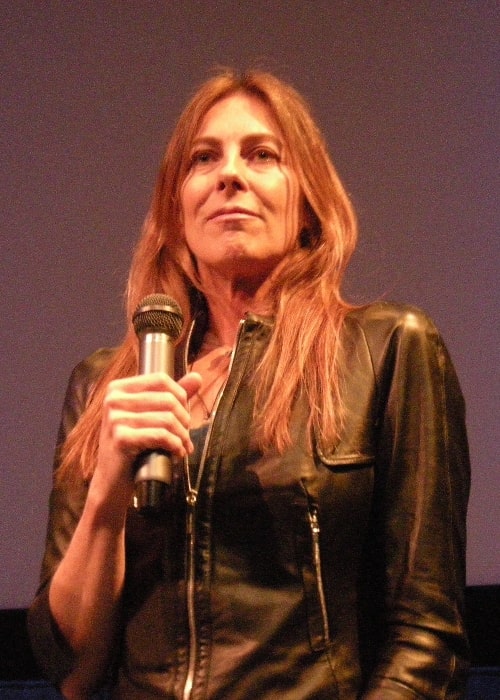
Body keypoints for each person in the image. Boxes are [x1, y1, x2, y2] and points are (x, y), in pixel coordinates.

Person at [28, 69, 470, 700]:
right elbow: (72, 670)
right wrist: (105, 499)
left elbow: (427, 636)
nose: (228, 174)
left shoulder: (388, 349)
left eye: (262, 154)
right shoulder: (107, 385)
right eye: (202, 159)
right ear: (176, 207)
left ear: (309, 201)